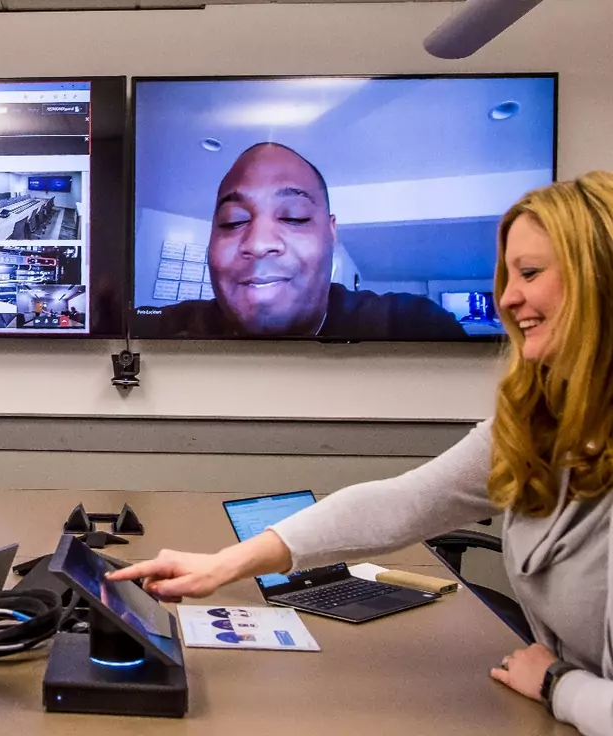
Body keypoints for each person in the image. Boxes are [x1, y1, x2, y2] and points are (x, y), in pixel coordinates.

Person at [111, 171, 613, 735]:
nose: (508, 297)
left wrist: (558, 685)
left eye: (530, 273)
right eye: (508, 276)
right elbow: (405, 503)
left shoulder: (406, 317)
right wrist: (222, 564)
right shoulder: (536, 423)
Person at [150, 142, 467, 340]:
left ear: (331, 232)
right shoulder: (156, 334)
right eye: (233, 221)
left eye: (294, 217)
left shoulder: (411, 326)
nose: (259, 243)